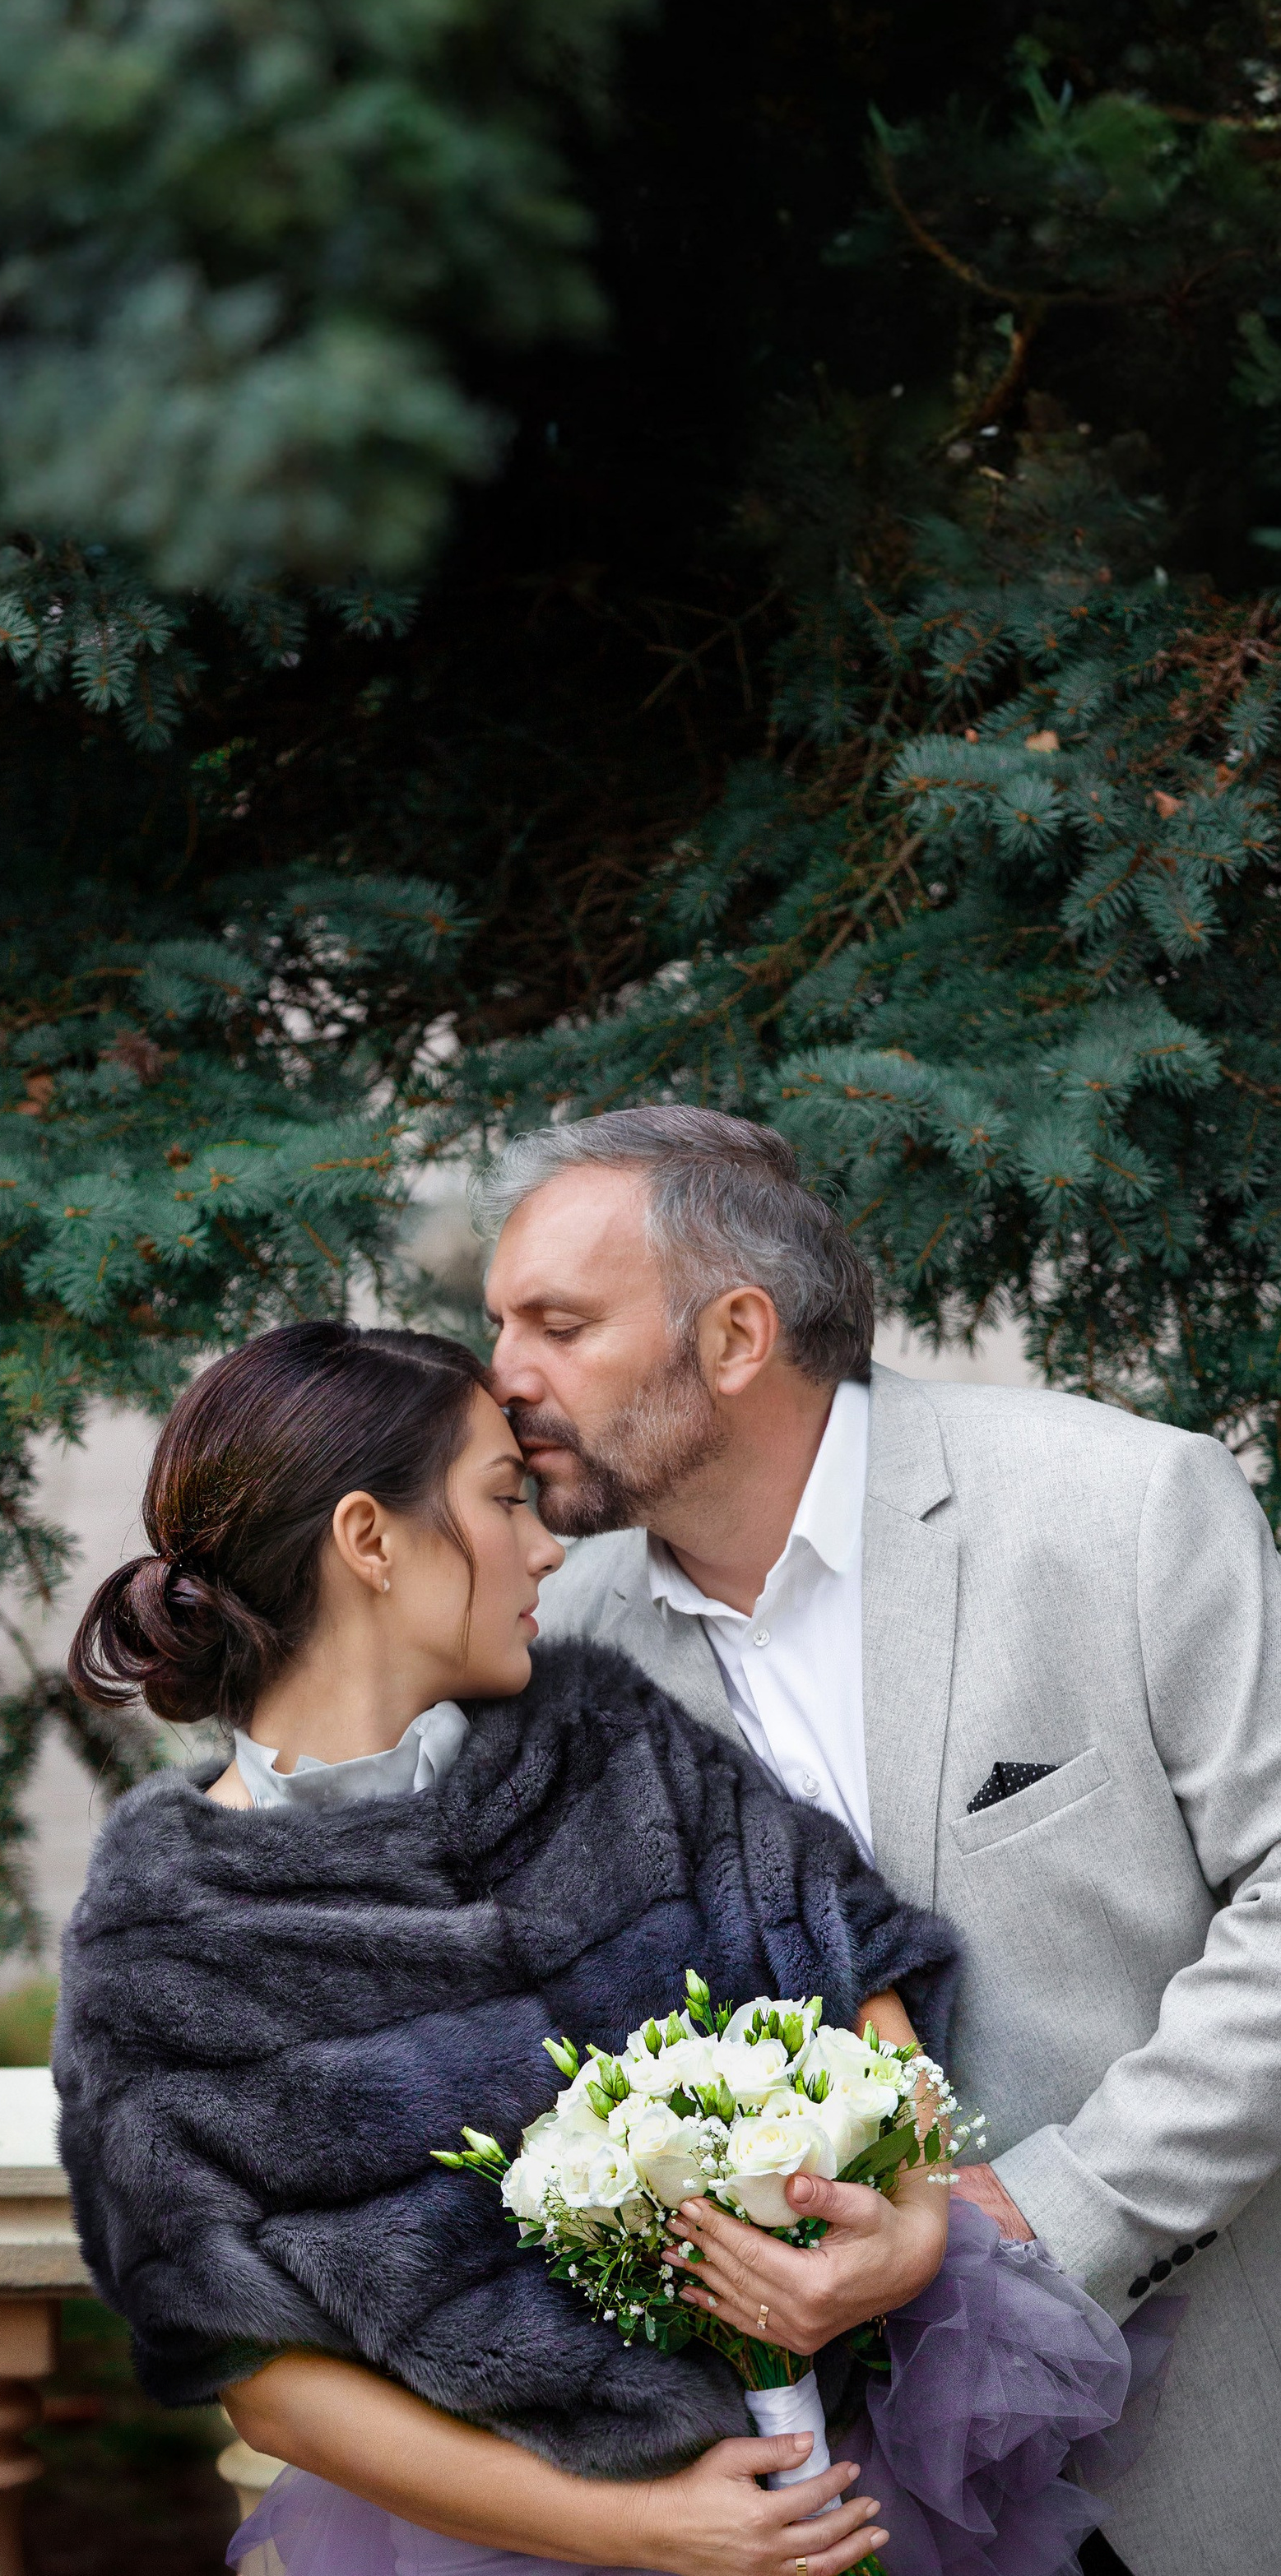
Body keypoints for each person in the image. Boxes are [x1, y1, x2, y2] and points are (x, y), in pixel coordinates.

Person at [52, 1321, 1126, 2576]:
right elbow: (258, 2374)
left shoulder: (605, 1730)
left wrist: (913, 2219)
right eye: (503, 1497)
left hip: (862, 2475)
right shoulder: (164, 1939)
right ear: (369, 1539)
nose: (548, 1546)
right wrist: (649, 2528)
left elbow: (846, 1951)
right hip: (515, 2543)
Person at [479, 1104, 1281, 2576]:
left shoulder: (1122, 1506)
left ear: (737, 1335)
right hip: (805, 2502)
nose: (505, 1375)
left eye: (559, 1325)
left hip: (1183, 2447)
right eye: (498, 1324)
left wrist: (1041, 2217)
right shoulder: (560, 1644)